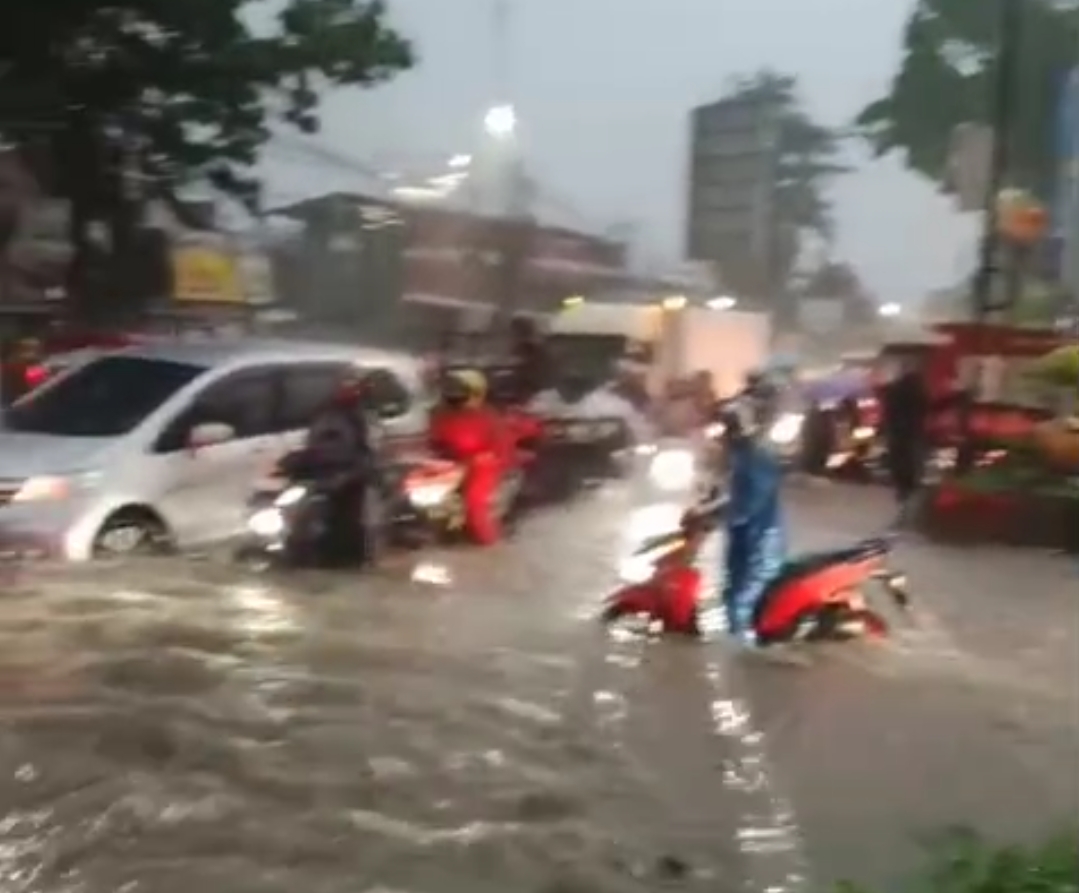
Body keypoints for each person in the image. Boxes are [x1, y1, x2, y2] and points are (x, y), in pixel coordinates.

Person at [720, 375, 788, 646]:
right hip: (743, 534)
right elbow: (731, 487)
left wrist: (723, 512)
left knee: (746, 599)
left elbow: (754, 499)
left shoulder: (759, 451)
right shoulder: (742, 451)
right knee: (733, 592)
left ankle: (743, 650)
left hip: (760, 536)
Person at [304, 367, 384, 565]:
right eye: (345, 384)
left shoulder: (364, 414)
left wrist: (361, 471)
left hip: (353, 478)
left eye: (354, 385)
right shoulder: (326, 413)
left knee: (356, 524)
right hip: (329, 477)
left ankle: (352, 559)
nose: (350, 389)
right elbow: (315, 443)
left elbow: (371, 447)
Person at [428, 369, 509, 544]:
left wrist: (484, 458)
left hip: (483, 468)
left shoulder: (489, 417)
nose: (454, 396)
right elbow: (434, 440)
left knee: (475, 503)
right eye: (451, 392)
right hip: (451, 465)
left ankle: (488, 541)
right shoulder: (440, 414)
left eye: (460, 392)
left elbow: (501, 448)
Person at [879, 357, 930, 526]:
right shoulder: (918, 389)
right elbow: (925, 409)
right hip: (913, 433)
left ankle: (904, 506)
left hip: (897, 434)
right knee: (912, 470)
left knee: (901, 470)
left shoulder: (894, 389)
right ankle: (909, 509)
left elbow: (888, 411)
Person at [508, 315, 551, 402]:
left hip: (532, 384)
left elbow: (523, 362)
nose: (513, 333)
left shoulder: (529, 345)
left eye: (515, 330)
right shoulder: (532, 343)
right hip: (532, 384)